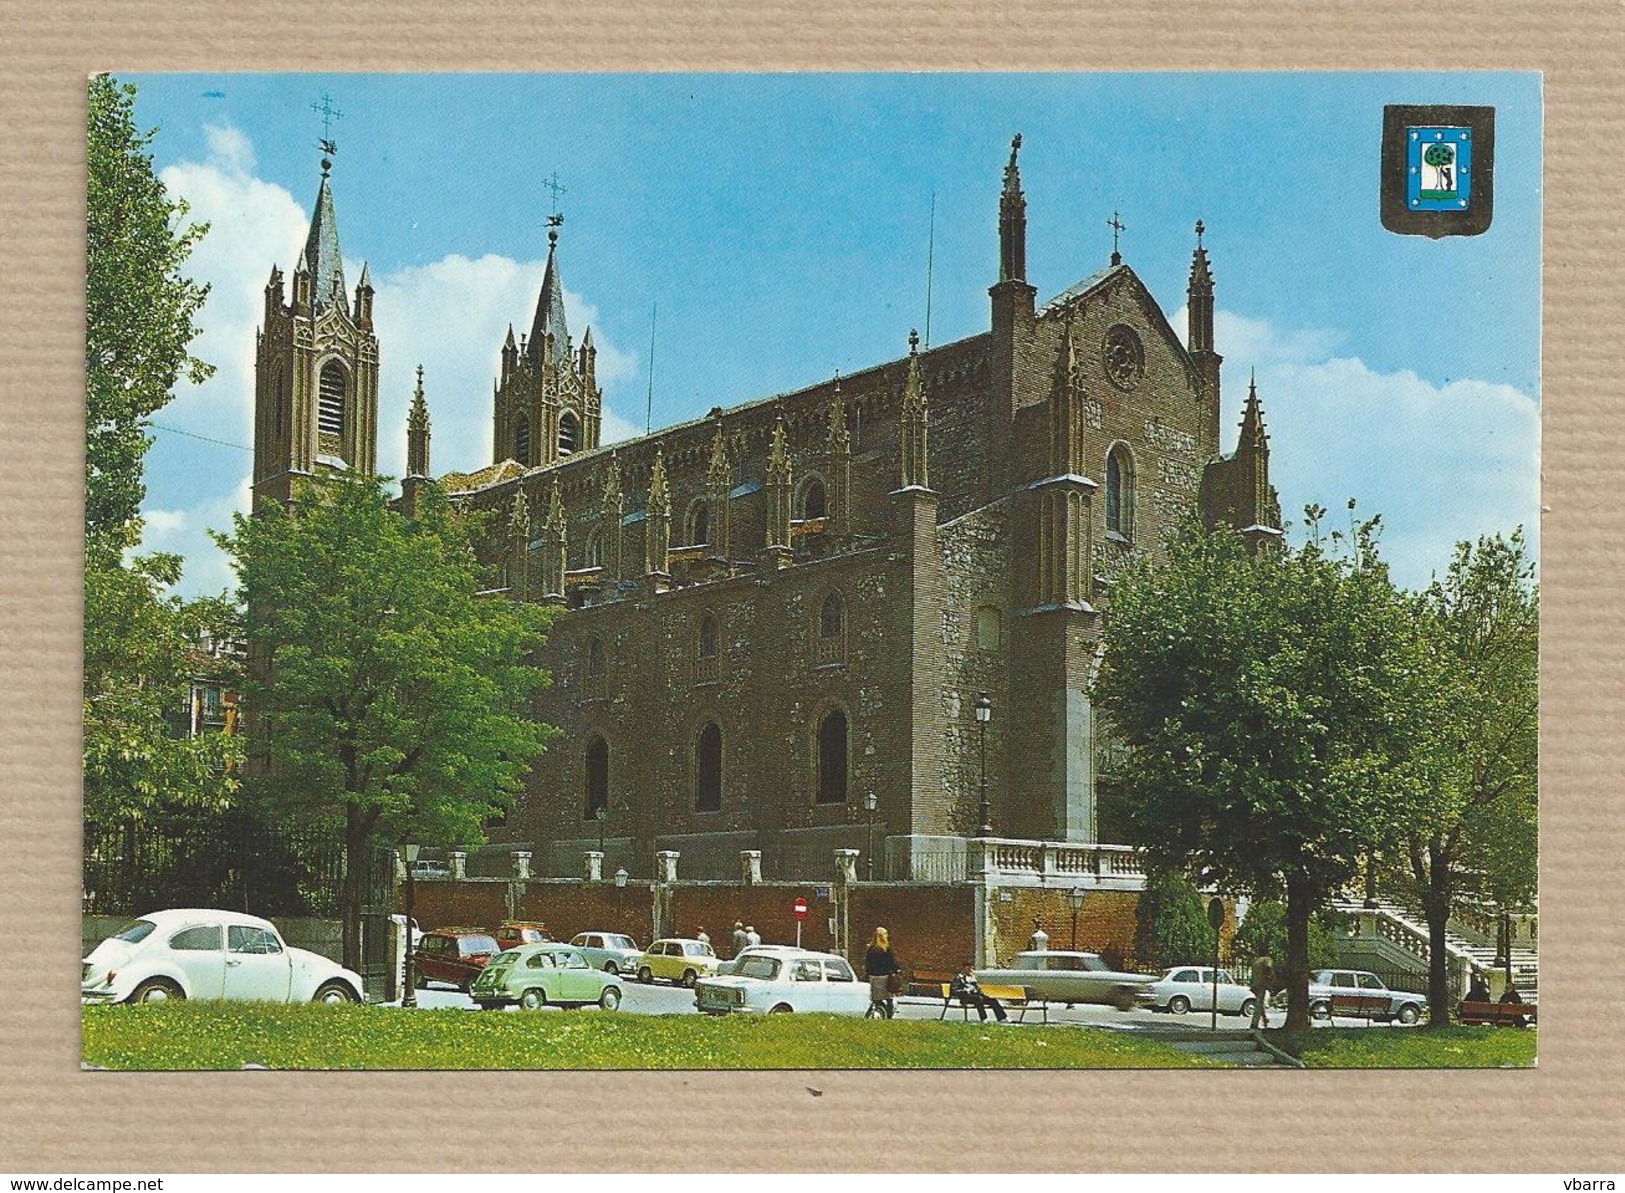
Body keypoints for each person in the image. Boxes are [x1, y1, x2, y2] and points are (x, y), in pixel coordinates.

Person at [864, 926, 900, 1019]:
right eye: (885, 934)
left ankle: (873, 1014)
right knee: (889, 999)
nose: (886, 936)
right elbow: (891, 962)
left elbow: (867, 963)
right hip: (885, 977)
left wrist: (868, 974)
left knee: (876, 999)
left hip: (874, 977)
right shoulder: (886, 949)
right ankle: (888, 1017)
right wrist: (896, 970)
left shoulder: (871, 949)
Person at [1249, 955, 1276, 1030]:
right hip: (1262, 984)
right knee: (1259, 1003)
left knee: (1260, 1003)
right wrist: (1271, 977)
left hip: (1255, 984)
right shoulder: (1267, 960)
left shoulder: (1257, 961)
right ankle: (1254, 1024)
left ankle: (1264, 1019)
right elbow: (1268, 968)